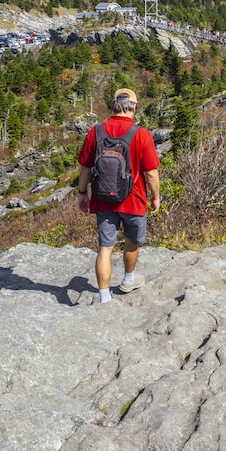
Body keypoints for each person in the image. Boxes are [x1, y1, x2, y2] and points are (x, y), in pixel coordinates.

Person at [77, 88, 161, 303]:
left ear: (114, 106)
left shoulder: (96, 131)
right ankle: (128, 280)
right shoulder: (141, 133)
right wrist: (155, 197)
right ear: (133, 107)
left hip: (103, 199)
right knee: (131, 242)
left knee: (105, 248)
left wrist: (82, 193)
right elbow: (151, 173)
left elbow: (85, 167)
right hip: (133, 200)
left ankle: (105, 298)